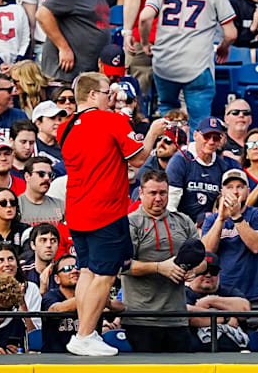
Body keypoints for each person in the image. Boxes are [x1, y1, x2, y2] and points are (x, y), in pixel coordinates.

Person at [58, 72, 150, 356]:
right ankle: (85, 334)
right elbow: (137, 158)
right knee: (105, 276)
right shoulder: (112, 120)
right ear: (92, 95)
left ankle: (84, 332)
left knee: (87, 271)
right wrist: (154, 132)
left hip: (77, 209)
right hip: (106, 210)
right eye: (106, 92)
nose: (112, 96)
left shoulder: (66, 126)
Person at [138, 0, 236, 122]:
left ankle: (169, 148)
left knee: (168, 115)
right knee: (199, 124)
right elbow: (231, 33)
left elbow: (145, 17)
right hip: (197, 65)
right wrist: (223, 47)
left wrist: (145, 43)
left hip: (165, 64)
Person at [122, 169, 203, 353]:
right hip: (141, 319)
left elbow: (202, 258)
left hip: (177, 318)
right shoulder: (130, 223)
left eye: (162, 193)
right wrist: (160, 268)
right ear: (141, 193)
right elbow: (122, 266)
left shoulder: (183, 221)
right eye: (152, 193)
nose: (158, 198)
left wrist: (194, 270)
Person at [201, 169, 258, 309]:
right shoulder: (212, 220)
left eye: (240, 187)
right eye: (229, 187)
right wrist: (221, 219)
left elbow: (257, 246)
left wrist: (236, 217)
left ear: (248, 190)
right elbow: (207, 252)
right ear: (222, 191)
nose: (235, 192)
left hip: (256, 293)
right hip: (222, 293)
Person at [167, 116, 240, 223]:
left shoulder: (222, 166)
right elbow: (171, 205)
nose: (211, 142)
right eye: (206, 136)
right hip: (181, 224)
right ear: (195, 135)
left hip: (209, 224)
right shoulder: (180, 161)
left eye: (216, 138)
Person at [19, 157, 64, 226]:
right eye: (41, 174)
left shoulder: (61, 205)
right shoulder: (16, 205)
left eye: (50, 175)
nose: (47, 178)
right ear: (27, 176)